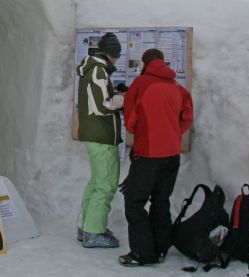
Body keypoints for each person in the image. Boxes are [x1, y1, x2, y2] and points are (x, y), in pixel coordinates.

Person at [119, 48, 194, 267]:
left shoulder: (141, 85)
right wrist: (173, 132)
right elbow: (187, 116)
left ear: (145, 63)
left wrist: (142, 130)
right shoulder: (177, 87)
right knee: (161, 201)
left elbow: (131, 121)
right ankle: (161, 248)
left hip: (148, 154)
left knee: (134, 202)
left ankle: (143, 253)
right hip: (172, 155)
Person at [76, 32, 125, 248]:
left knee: (96, 182)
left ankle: (86, 226)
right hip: (102, 135)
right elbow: (103, 105)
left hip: (95, 134)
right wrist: (124, 98)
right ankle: (94, 232)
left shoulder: (94, 69)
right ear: (112, 54)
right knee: (105, 185)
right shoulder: (98, 71)